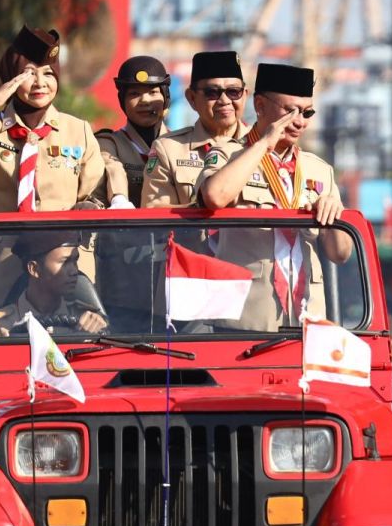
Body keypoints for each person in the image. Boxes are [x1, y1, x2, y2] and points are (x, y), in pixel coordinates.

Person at [0, 25, 105, 313]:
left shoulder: (78, 130)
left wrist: (89, 208)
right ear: (11, 79)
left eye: (48, 74)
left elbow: (97, 191)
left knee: (68, 355)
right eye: (28, 74)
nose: (40, 83)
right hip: (0, 270)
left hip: (64, 272)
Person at [193, 63, 351, 330]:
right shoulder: (228, 155)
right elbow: (214, 196)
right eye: (289, 111)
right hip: (245, 319)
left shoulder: (319, 169)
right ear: (260, 105)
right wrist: (264, 144)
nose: (299, 121)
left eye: (307, 112)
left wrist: (333, 213)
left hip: (308, 319)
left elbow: (340, 253)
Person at [141, 50, 250, 208]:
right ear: (192, 98)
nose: (224, 100)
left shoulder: (262, 147)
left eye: (234, 92)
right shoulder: (169, 149)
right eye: (212, 93)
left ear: (245, 95)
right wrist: (204, 205)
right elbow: (154, 211)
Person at [0, 230, 107, 337]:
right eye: (64, 262)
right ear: (34, 269)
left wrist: (96, 331)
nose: (74, 271)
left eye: (74, 261)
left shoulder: (89, 319)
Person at [96, 55, 172, 209]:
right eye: (134, 94)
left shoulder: (182, 143)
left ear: (165, 97)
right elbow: (113, 168)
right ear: (122, 100)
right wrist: (119, 199)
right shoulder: (108, 143)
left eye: (153, 92)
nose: (145, 101)